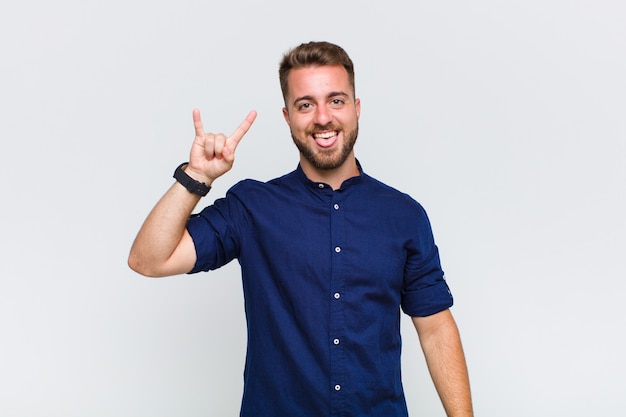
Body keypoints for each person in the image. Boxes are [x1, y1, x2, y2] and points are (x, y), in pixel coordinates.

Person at [128, 41, 473, 417]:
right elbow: (149, 259)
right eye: (305, 104)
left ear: (356, 109)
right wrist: (196, 177)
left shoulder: (404, 216)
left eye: (336, 101)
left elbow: (436, 327)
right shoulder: (252, 207)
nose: (323, 117)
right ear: (288, 116)